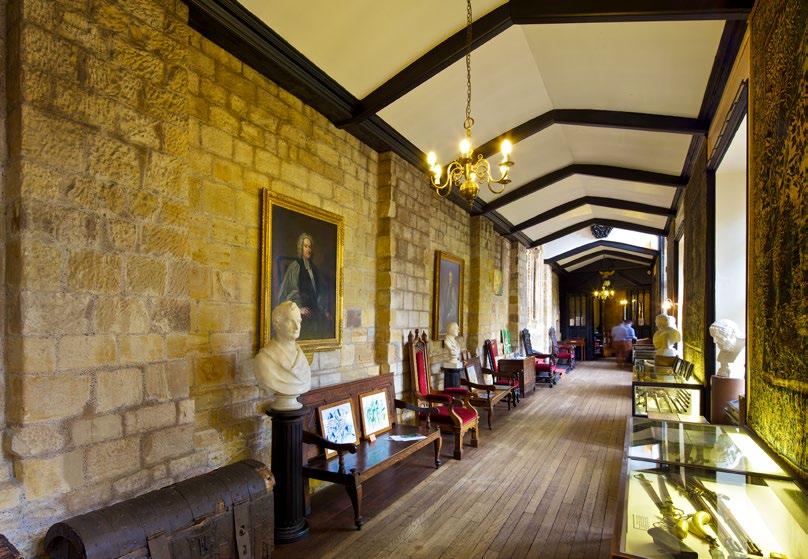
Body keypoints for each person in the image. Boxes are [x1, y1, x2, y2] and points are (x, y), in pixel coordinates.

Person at [254, 301, 312, 411]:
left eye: (299, 321)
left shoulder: (302, 357)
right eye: (290, 321)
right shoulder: (263, 360)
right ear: (277, 324)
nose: (297, 327)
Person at [277, 232, 332, 339]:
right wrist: (299, 309)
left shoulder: (314, 268)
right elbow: (290, 292)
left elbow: (319, 293)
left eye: (310, 246)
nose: (308, 249)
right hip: (300, 315)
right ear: (300, 248)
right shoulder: (295, 267)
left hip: (315, 311)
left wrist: (324, 310)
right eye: (305, 246)